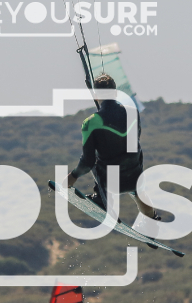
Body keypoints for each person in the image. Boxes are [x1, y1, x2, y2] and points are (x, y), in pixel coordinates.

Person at [64, 74, 159, 232]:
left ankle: (102, 200)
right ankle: (152, 222)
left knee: (96, 158)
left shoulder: (90, 122)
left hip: (111, 183)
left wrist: (72, 177)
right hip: (134, 177)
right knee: (137, 181)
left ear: (95, 95)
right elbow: (135, 139)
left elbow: (87, 162)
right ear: (115, 92)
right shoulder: (133, 112)